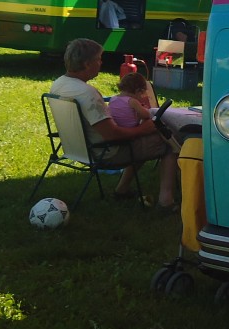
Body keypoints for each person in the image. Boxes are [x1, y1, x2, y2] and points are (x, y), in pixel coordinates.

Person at [50, 38, 179, 212]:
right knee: (169, 143)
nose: (101, 63)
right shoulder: (87, 93)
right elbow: (112, 135)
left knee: (145, 141)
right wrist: (143, 129)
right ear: (87, 64)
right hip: (105, 152)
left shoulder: (58, 84)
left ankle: (122, 189)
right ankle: (166, 201)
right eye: (98, 59)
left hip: (76, 148)